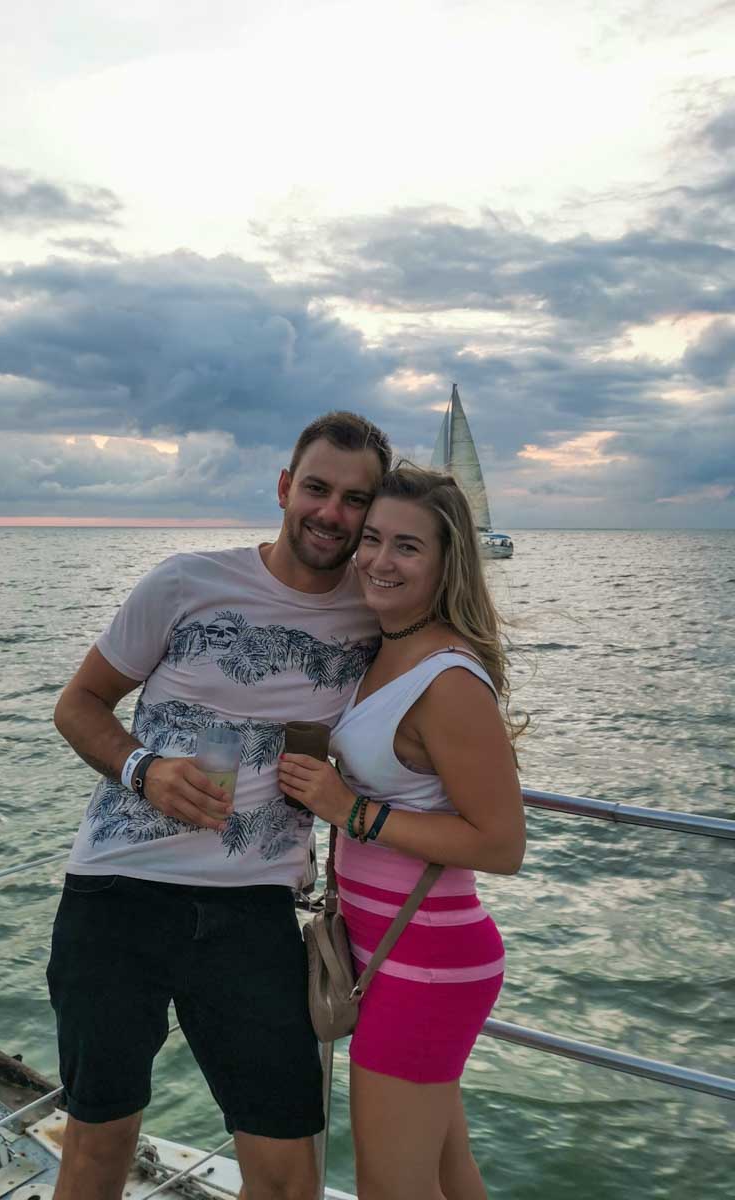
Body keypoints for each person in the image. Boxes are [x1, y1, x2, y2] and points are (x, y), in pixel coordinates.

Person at [47, 411, 391, 1200]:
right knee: (98, 1150)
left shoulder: (374, 617)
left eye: (354, 500)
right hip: (117, 895)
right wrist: (144, 770)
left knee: (284, 1174)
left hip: (252, 911)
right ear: (283, 488)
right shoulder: (186, 581)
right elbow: (79, 704)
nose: (331, 513)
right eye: (316, 488)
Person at [278, 464, 526, 1200]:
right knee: (448, 1175)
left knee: (392, 1187)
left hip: (427, 961)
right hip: (386, 953)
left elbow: (502, 843)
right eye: (374, 539)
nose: (380, 560)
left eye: (407, 547)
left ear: (447, 561)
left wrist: (351, 811)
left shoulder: (448, 678)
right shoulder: (385, 646)